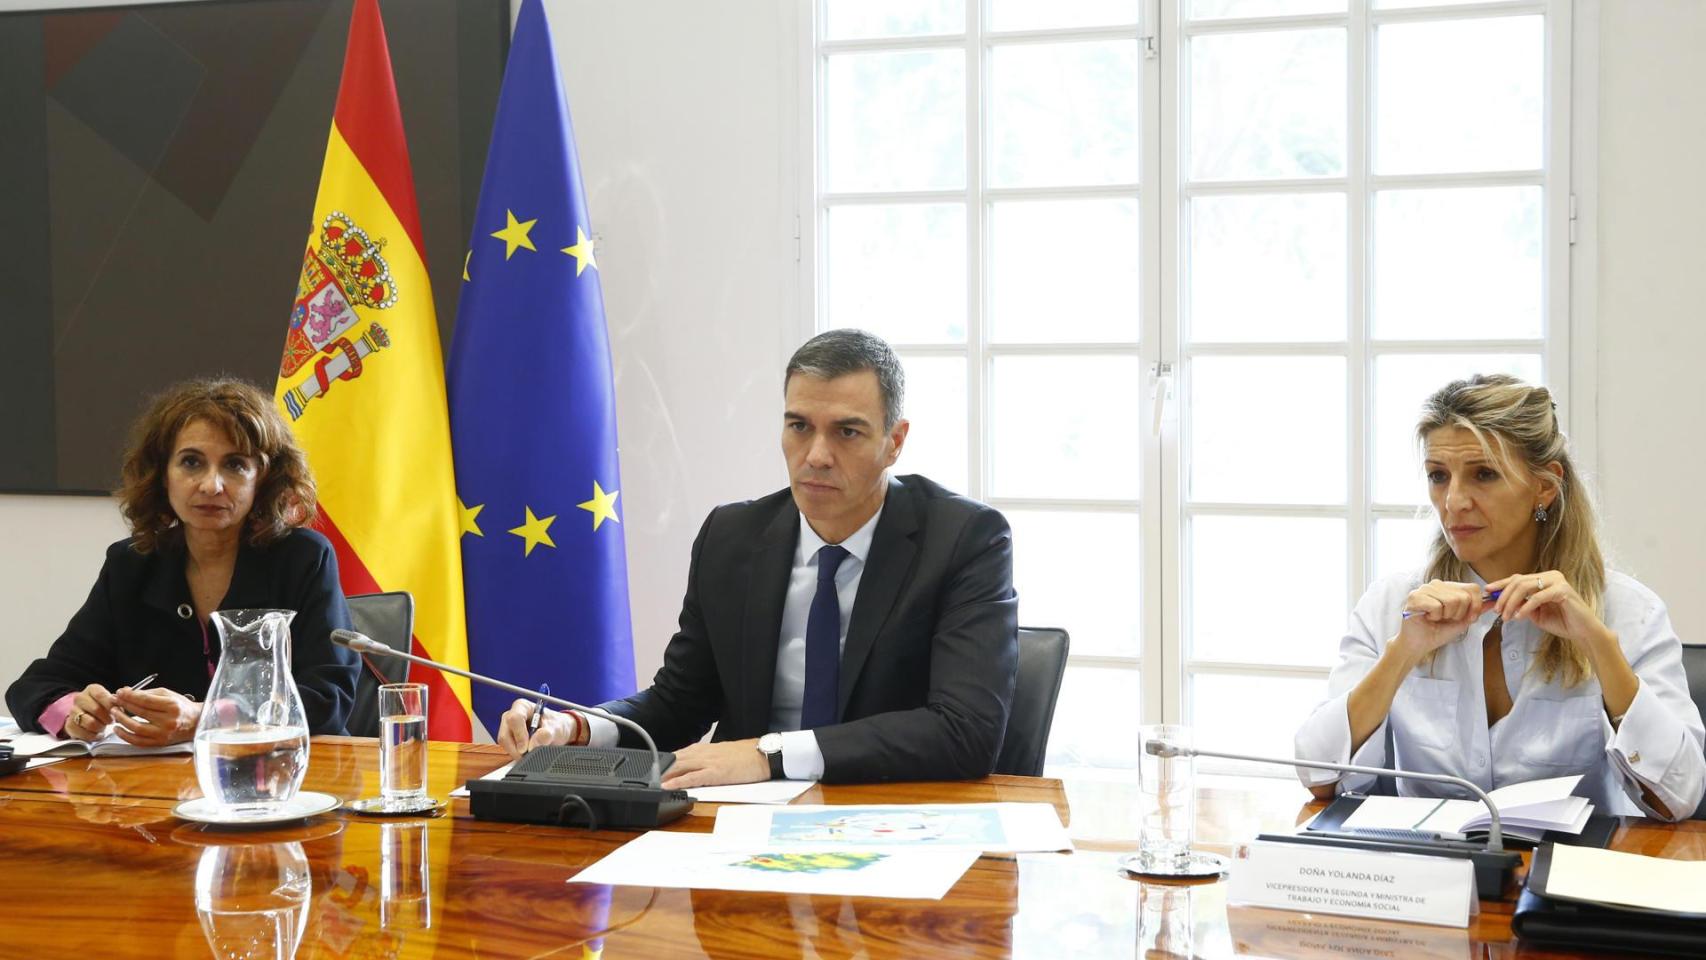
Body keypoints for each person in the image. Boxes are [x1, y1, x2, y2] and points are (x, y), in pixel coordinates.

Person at [497, 329, 1019, 787]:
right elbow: (680, 703)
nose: (816, 454)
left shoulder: (964, 540)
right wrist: (577, 727)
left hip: (889, 815)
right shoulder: (733, 536)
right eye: (799, 426)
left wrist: (769, 754)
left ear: (895, 442)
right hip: (740, 822)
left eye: (847, 431)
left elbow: (964, 730)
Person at [1295, 374, 1704, 819]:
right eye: (1438, 476)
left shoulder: (1630, 612)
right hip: (1430, 874)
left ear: (1544, 486)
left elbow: (1680, 797)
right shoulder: (1391, 604)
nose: (1453, 502)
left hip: (1566, 876)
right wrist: (1402, 653)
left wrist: (1599, 647)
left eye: (1484, 475)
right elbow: (1318, 777)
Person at [6, 378, 359, 743]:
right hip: (159, 787)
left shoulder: (302, 557)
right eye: (191, 462)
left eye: (235, 465)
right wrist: (75, 712)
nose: (211, 485)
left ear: (263, 479)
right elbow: (37, 685)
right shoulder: (132, 564)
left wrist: (204, 718)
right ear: (162, 475)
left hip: (283, 777)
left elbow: (328, 697)